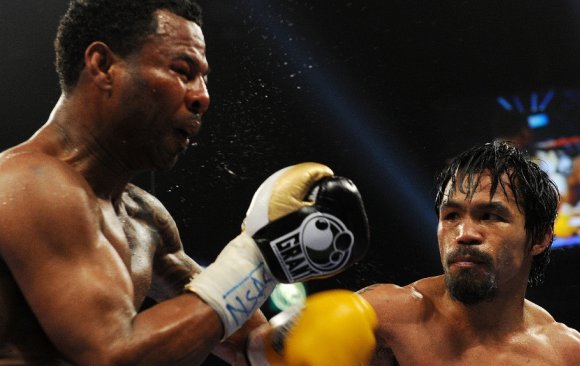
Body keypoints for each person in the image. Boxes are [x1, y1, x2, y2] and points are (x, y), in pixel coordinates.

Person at [0, 1, 370, 365]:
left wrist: (290, 342)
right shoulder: (30, 184)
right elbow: (111, 356)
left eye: (204, 78)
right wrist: (262, 258)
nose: (202, 96)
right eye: (182, 70)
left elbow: (242, 339)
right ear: (103, 65)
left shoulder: (144, 219)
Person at [245, 141, 580, 366]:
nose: (464, 234)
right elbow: (255, 351)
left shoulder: (565, 354)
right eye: (451, 215)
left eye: (490, 216)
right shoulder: (385, 315)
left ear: (540, 238)